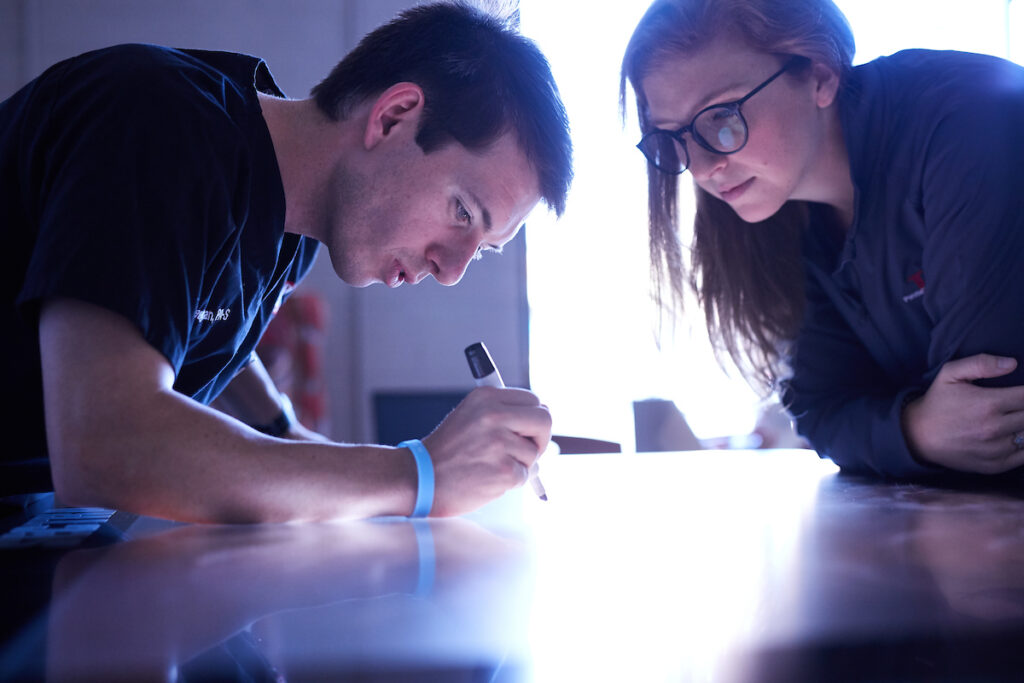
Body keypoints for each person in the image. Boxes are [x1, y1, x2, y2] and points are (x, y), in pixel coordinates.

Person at [0, 1, 573, 521]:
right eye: (463, 212)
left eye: (484, 248)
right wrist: (420, 473)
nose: (452, 270)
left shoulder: (289, 226)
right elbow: (105, 444)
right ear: (395, 116)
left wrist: (280, 426)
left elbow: (185, 311)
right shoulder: (157, 124)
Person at [621, 0, 1024, 480]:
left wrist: (890, 428)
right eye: (676, 137)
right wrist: (915, 429)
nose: (704, 169)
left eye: (722, 117)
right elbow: (819, 409)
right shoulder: (787, 209)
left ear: (820, 75)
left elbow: (992, 416)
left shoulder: (970, 122)